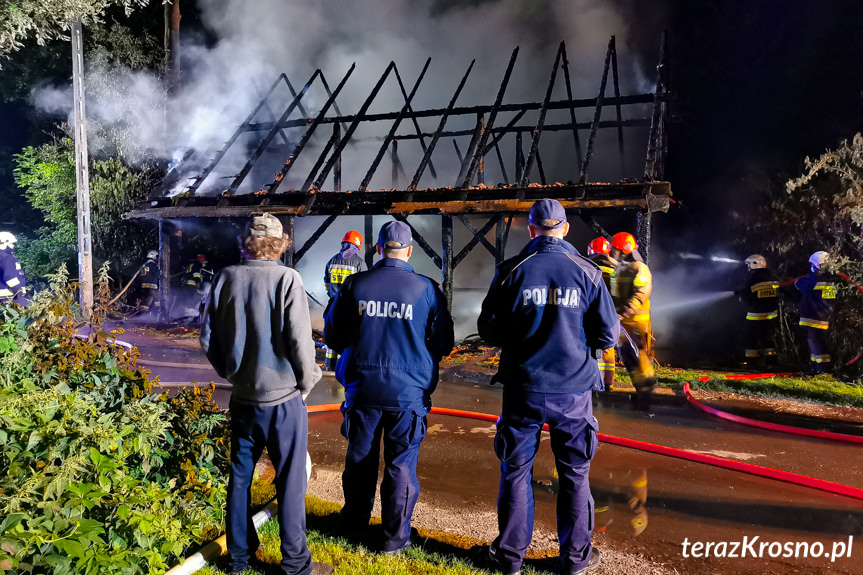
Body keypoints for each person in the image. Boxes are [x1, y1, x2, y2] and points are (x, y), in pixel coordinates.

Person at [477, 199, 618, 575]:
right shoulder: (588, 273)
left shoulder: (512, 270)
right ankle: (574, 560)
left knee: (515, 471)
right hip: (573, 392)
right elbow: (607, 334)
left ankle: (509, 558)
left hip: (523, 388)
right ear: (566, 228)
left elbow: (489, 328)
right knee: (574, 475)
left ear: (531, 228)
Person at [200, 213, 332, 575]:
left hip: (243, 400)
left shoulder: (225, 277)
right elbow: (300, 343)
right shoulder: (288, 280)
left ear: (246, 242)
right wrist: (306, 384)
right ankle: (296, 565)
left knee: (239, 479)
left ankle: (239, 559)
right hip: (284, 402)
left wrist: (231, 372)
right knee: (290, 482)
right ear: (279, 243)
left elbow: (207, 337)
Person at [324, 221, 454, 554]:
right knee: (400, 466)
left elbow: (333, 337)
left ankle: (354, 524)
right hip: (408, 396)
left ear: (378, 249)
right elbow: (444, 342)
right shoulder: (427, 289)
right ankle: (394, 539)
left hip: (362, 390)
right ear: (409, 250)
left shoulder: (354, 285)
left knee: (360, 461)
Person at [609, 232, 655, 410]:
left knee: (639, 358)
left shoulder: (639, 268)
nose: (613, 252)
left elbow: (641, 292)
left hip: (636, 322)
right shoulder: (624, 267)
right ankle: (641, 391)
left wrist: (625, 312)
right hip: (624, 323)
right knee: (629, 358)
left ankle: (646, 394)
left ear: (625, 249)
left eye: (615, 249)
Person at [323, 230, 368, 370]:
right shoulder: (359, 263)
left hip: (333, 305)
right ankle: (345, 370)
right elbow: (364, 289)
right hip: (350, 309)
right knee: (348, 339)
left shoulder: (332, 261)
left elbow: (327, 285)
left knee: (332, 338)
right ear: (357, 245)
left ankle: (329, 367)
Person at [795, 251, 836, 373]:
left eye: (813, 264)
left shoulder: (815, 278)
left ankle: (820, 369)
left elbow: (800, 285)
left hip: (813, 315)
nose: (811, 267)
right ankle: (818, 366)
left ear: (818, 265)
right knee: (819, 341)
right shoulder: (831, 278)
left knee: (814, 340)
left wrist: (799, 280)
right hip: (825, 314)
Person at [586, 237, 618, 389]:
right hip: (611, 313)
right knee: (608, 347)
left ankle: (594, 383)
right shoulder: (615, 269)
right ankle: (609, 383)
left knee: (592, 345)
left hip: (592, 312)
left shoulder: (587, 267)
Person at [739, 255, 779, 366]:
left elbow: (746, 298)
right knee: (767, 339)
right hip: (771, 316)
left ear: (756, 264)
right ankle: (771, 362)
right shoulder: (771, 277)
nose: (748, 267)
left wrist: (742, 298)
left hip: (755, 315)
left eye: (749, 264)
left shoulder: (753, 279)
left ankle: (752, 363)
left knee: (750, 338)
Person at [0, 232, 28, 306]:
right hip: (8, 299)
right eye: (13, 244)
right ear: (5, 243)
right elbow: (9, 277)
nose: (13, 246)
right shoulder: (5, 257)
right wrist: (19, 292)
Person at [137, 250, 160, 317]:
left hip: (144, 286)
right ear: (153, 256)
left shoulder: (145, 264)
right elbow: (158, 274)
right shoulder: (153, 265)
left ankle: (142, 316)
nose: (157, 258)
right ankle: (156, 315)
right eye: (156, 256)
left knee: (145, 301)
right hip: (152, 285)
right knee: (157, 301)